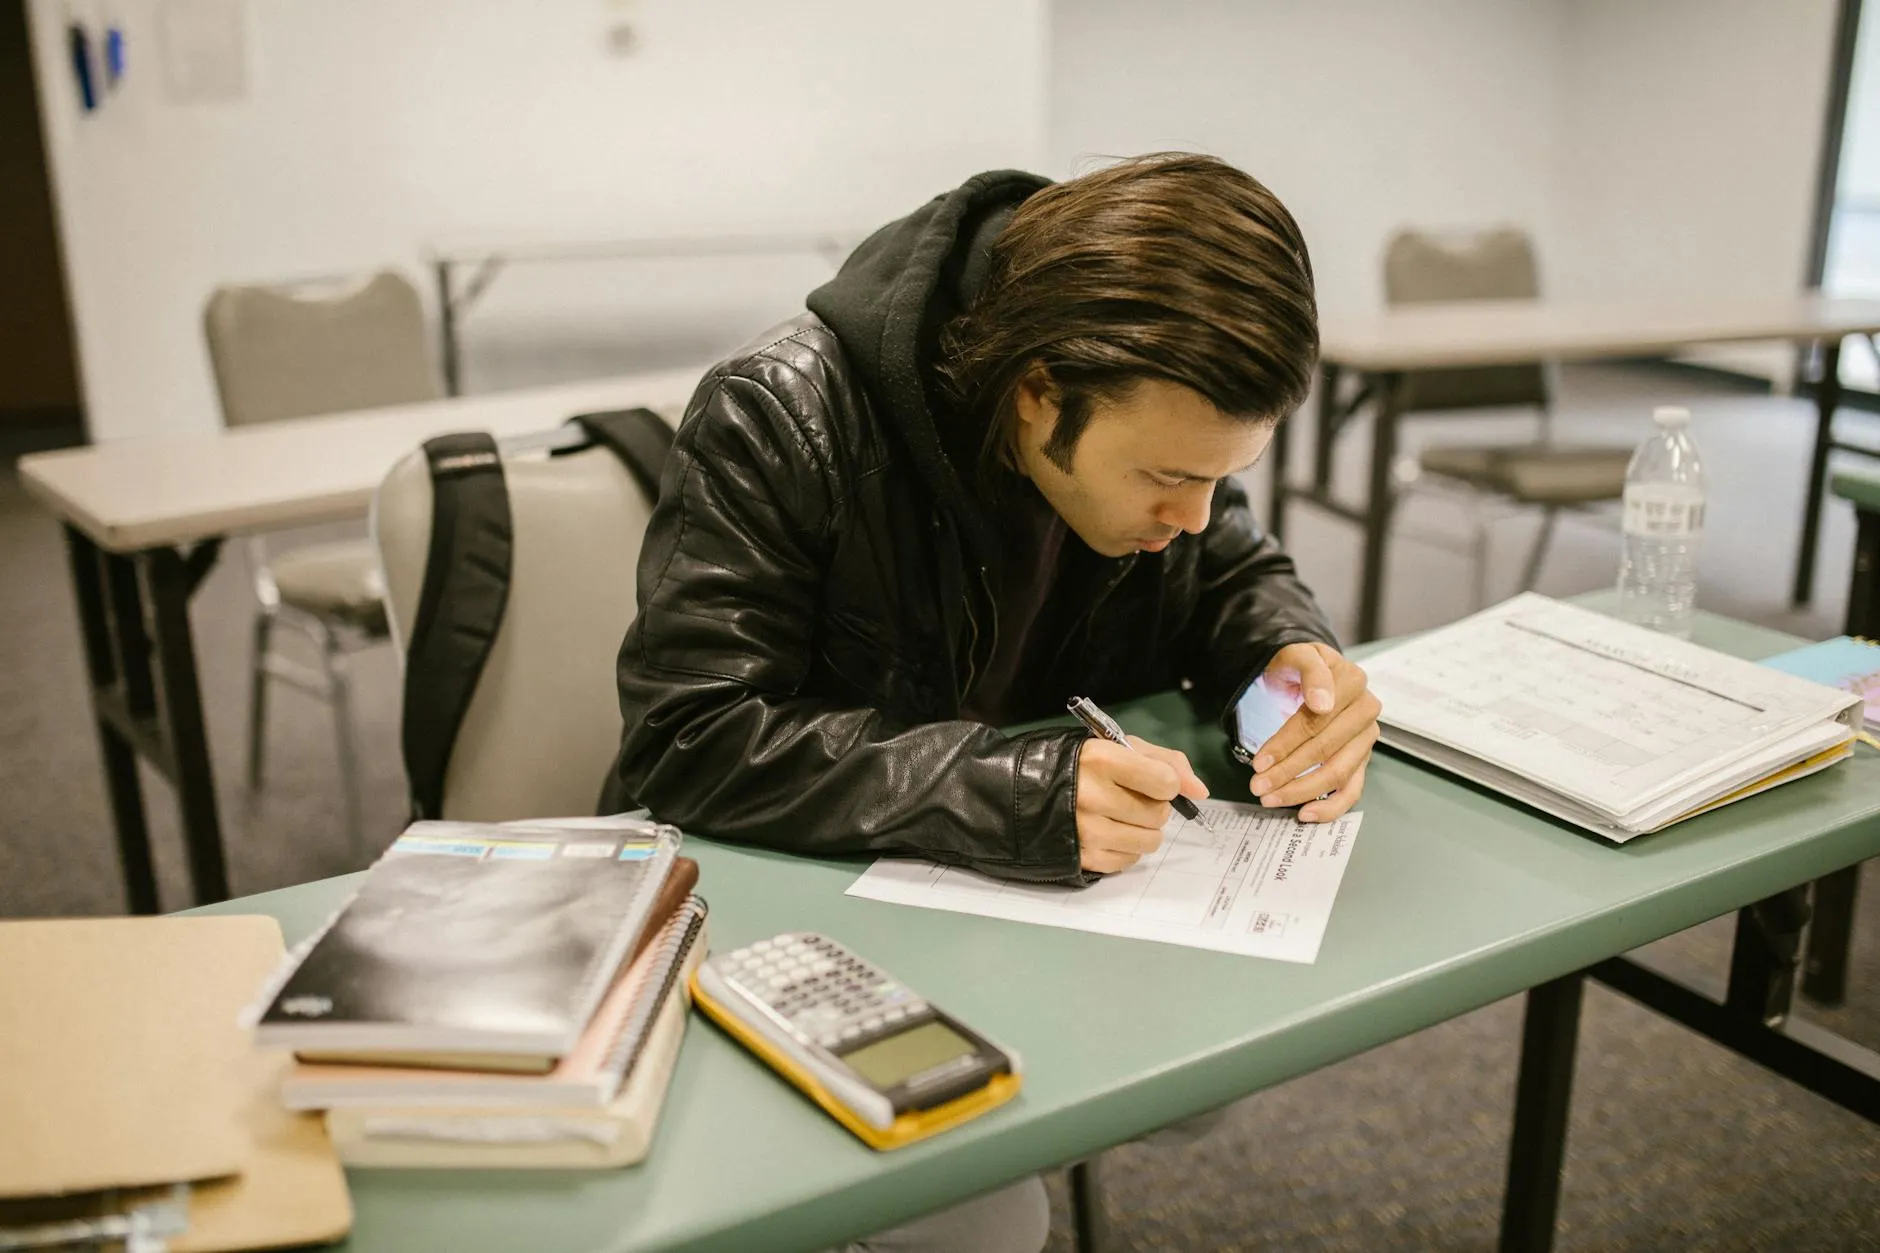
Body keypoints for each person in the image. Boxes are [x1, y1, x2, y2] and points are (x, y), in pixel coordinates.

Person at [602, 153, 1381, 1253]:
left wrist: (1290, 657)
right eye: (1168, 480)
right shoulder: (780, 413)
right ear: (1034, 391)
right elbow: (689, 738)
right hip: (783, 905)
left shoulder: (1145, 395)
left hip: (1005, 902)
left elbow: (1235, 573)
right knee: (979, 1220)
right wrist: (1012, 789)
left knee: (1199, 1071)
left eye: (1221, 475)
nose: (1197, 514)